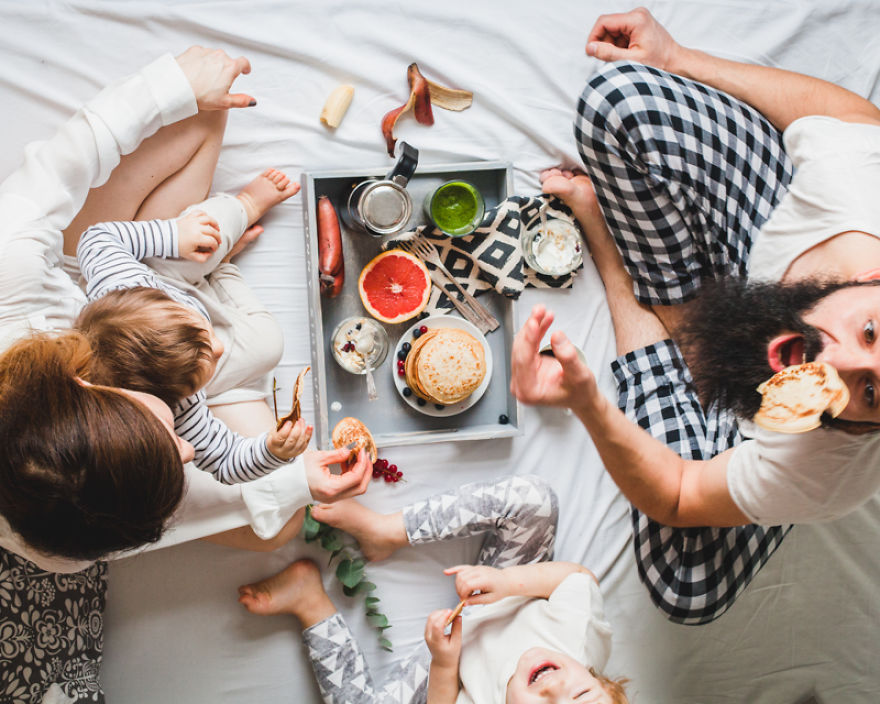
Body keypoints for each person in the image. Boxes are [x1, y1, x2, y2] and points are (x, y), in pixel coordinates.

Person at [0, 47, 370, 702]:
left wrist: (170, 85)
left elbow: (62, 163)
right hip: (132, 317)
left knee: (201, 113)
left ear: (89, 385)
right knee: (280, 516)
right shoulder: (63, 543)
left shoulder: (12, 277)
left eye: (166, 429)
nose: (189, 447)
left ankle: (203, 251)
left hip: (87, 277)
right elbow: (206, 475)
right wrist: (291, 476)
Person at [511, 7, 880, 626]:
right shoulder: (856, 197)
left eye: (871, 391)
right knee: (618, 95)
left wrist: (588, 401)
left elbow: (681, 495)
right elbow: (853, 120)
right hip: (772, 231)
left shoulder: (827, 471)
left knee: (688, 588)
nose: (835, 362)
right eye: (871, 331)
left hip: (759, 415)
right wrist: (678, 59)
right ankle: (688, 324)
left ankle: (619, 261)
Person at [238, 476, 628, 704]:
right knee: (535, 500)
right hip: (510, 589)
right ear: (601, 681)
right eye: (579, 696)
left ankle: (309, 601)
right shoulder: (578, 637)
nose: (554, 688)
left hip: (450, 656)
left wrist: (444, 662)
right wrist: (508, 583)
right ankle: (387, 530)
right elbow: (577, 579)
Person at [75, 168, 311, 485]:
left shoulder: (123, 280)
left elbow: (96, 238)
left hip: (162, 276)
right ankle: (225, 267)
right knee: (269, 345)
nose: (220, 348)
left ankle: (247, 204)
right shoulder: (178, 409)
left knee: (203, 230)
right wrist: (270, 452)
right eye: (206, 367)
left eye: (206, 338)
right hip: (182, 309)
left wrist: (174, 235)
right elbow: (226, 462)